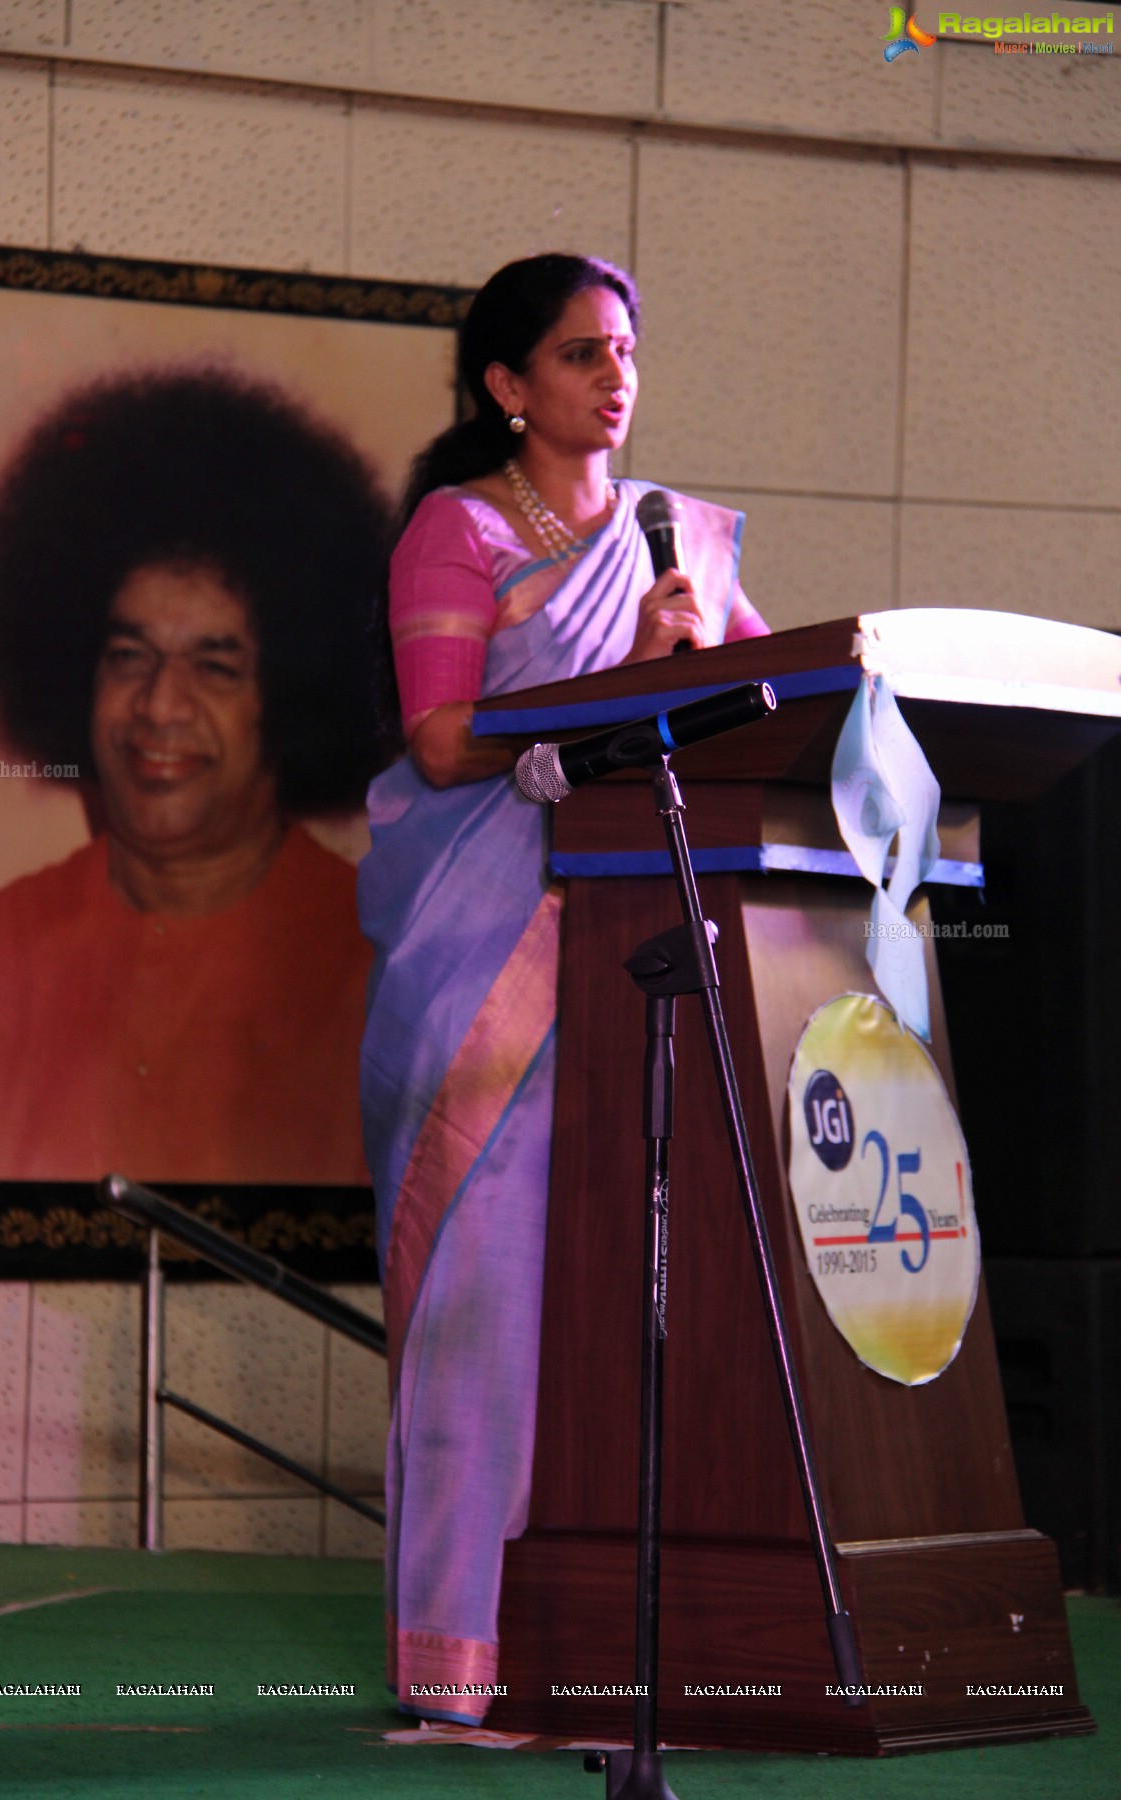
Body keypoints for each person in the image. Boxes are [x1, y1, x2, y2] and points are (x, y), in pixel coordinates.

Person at [358, 253, 770, 1721]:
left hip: (646, 966)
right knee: (484, 1317)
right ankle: (452, 1670)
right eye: (583, 353)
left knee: (632, 1310)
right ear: (507, 387)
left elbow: (765, 709)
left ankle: (597, 1643)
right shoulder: (459, 534)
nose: (616, 377)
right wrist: (629, 684)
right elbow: (446, 743)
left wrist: (699, 668)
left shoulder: (682, 548)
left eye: (628, 351)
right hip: (490, 973)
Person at [0, 368, 390, 1186]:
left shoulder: (375, 967)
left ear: (286, 700)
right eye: (128, 657)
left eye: (214, 668)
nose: (158, 705)